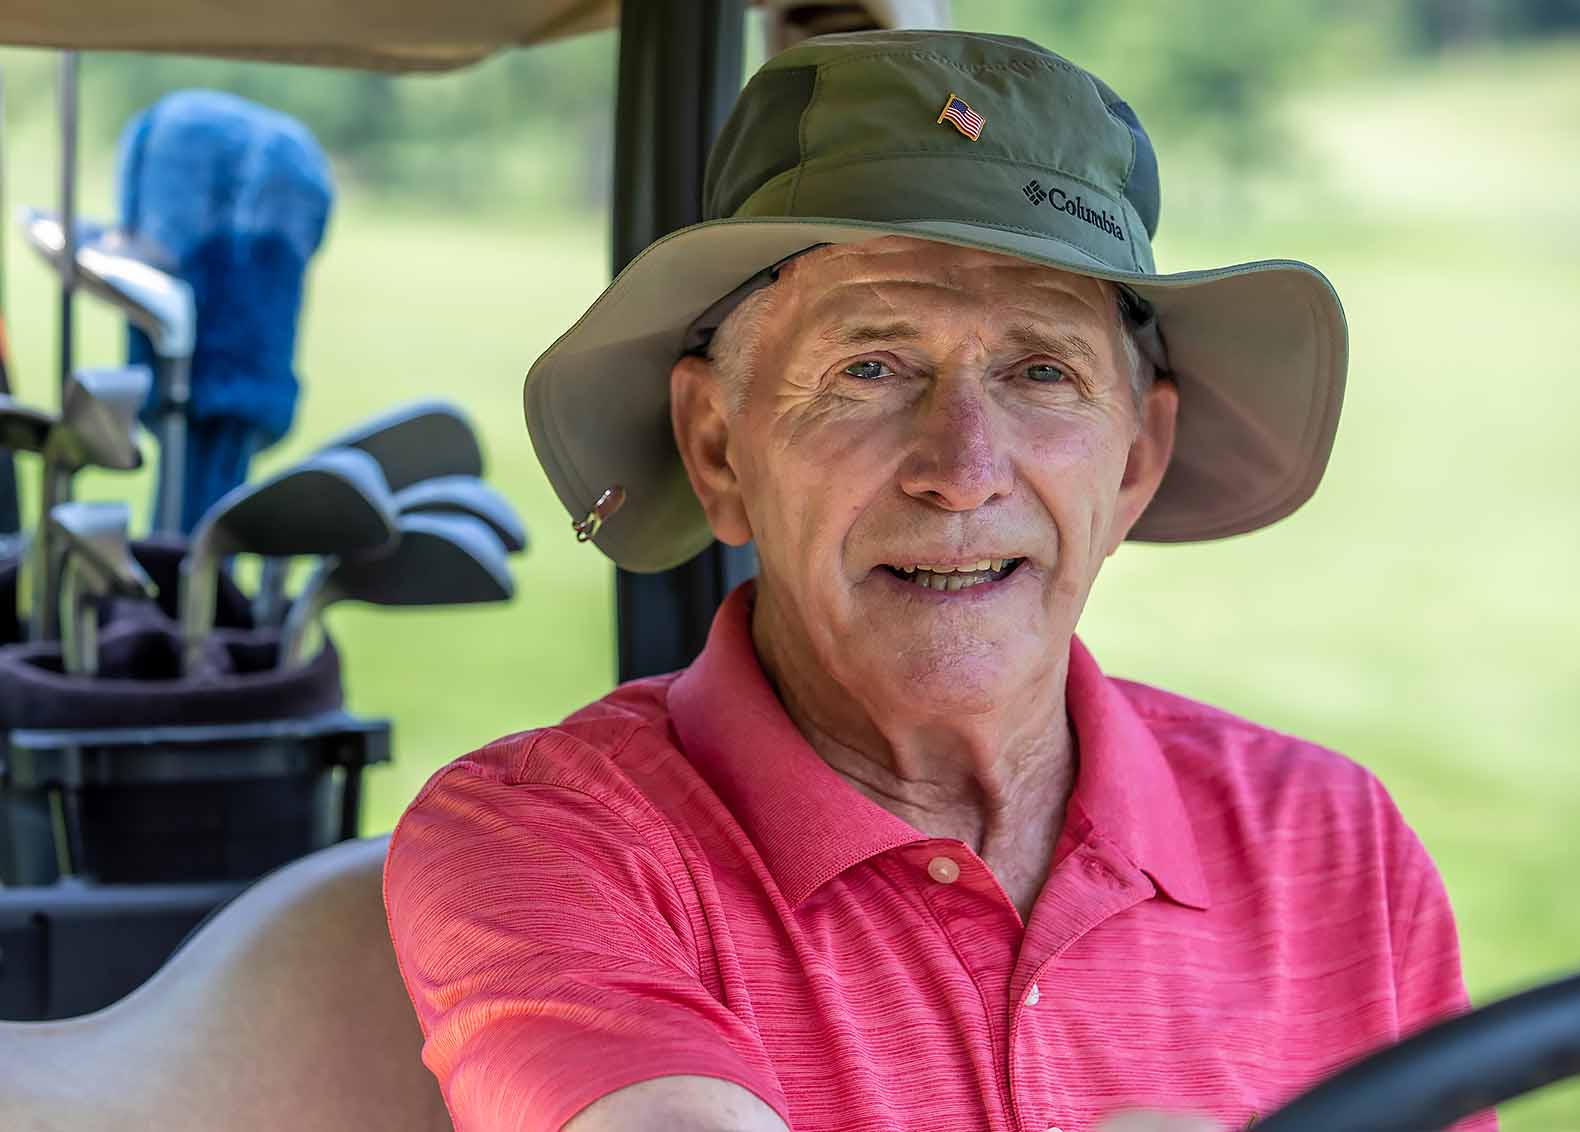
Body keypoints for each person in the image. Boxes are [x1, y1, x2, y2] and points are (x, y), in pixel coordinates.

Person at [385, 30, 1494, 1132]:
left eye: (1040, 372)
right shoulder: (551, 833)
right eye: (868, 369)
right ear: (718, 446)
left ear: (1136, 463)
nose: (961, 473)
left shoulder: (1332, 840)